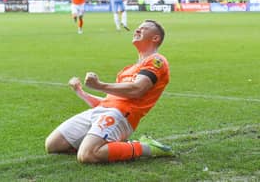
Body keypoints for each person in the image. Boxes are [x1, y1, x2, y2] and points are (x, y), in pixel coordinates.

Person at [45, 20, 174, 163]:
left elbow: (137, 89)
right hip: (102, 111)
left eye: (143, 29)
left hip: (122, 115)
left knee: (87, 155)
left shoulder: (157, 60)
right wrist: (80, 92)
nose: (137, 30)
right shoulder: (126, 70)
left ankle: (145, 147)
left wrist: (99, 85)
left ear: (155, 38)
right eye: (137, 28)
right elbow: (107, 102)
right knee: (53, 145)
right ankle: (101, 142)